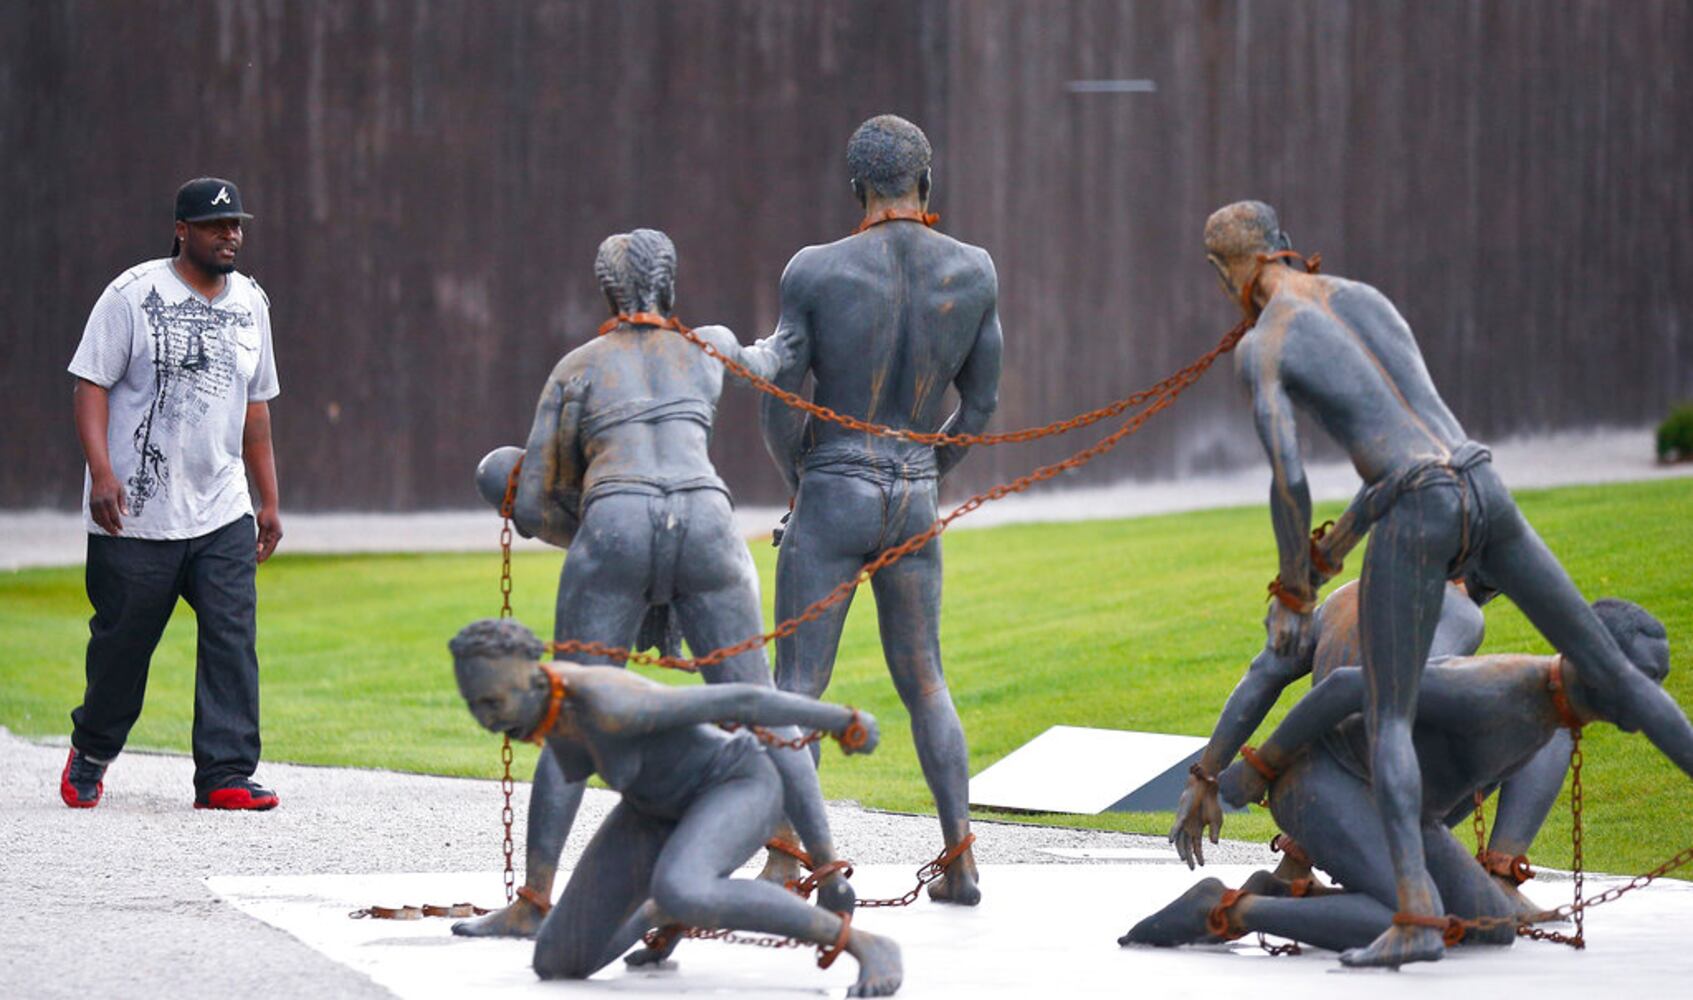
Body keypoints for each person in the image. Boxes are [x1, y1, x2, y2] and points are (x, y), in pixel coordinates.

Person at [1208, 200, 1693, 964]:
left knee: (1389, 716)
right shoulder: (1363, 296)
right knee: (1612, 672)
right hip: (1479, 479)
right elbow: (1411, 413)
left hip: (1415, 504)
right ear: (1285, 247)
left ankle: (1412, 919)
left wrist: (1295, 588)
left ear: (1230, 268)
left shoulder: (1264, 345)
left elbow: (1289, 480)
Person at [454, 229, 853, 938]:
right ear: (670, 285)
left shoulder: (578, 368)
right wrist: (810, 310)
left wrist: (594, 537)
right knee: (764, 707)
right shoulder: (708, 346)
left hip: (616, 522)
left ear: (607, 291)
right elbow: (779, 356)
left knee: (564, 704)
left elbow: (532, 501)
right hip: (706, 519)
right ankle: (822, 867)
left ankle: (536, 900)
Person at [1123, 599, 1676, 954]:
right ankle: (1228, 907)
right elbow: (1343, 687)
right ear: (1594, 660)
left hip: (1405, 812)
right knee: (1417, 920)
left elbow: (1676, 734)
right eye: (1645, 679)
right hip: (1325, 782)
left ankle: (1293, 895)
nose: (1655, 696)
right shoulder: (1492, 686)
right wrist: (1259, 767)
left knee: (1492, 927)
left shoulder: (1553, 712)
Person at [760, 115, 1003, 905]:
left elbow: (778, 390)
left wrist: (798, 476)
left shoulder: (815, 269)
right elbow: (980, 404)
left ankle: (784, 860)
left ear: (856, 189)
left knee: (798, 682)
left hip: (832, 485)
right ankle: (960, 858)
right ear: (924, 184)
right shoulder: (974, 271)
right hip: (914, 493)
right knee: (926, 681)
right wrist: (929, 469)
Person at [449, 618, 903, 996]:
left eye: (493, 702)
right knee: (556, 959)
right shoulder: (546, 710)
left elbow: (741, 699)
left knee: (684, 884)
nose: (486, 720)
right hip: (652, 810)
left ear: (531, 677)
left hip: (734, 783)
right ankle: (664, 910)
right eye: (473, 707)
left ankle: (864, 944)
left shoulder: (609, 702)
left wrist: (843, 721)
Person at [61, 177, 282, 811]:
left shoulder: (251, 303)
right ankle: (94, 748)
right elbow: (90, 385)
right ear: (182, 230)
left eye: (236, 225)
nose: (230, 235)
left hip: (222, 509)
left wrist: (268, 499)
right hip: (135, 514)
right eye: (216, 226)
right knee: (122, 649)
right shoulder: (131, 295)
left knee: (232, 640)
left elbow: (257, 408)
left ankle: (226, 774)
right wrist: (103, 473)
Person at [1170, 576, 1573, 910]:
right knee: (1551, 712)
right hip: (1367, 809)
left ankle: (1293, 871)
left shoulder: (1343, 598)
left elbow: (1262, 677)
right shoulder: (1457, 612)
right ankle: (1502, 878)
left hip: (1309, 803)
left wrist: (1204, 776)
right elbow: (1386, 706)